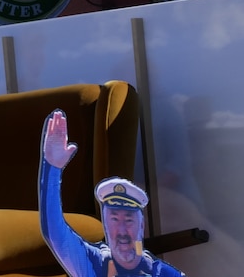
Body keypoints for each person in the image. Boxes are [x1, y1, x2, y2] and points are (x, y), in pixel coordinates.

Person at [40, 109, 186, 276]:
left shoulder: (161, 273)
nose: (122, 230)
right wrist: (52, 168)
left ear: (142, 225)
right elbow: (56, 233)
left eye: (129, 219)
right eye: (114, 219)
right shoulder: (93, 263)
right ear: (105, 225)